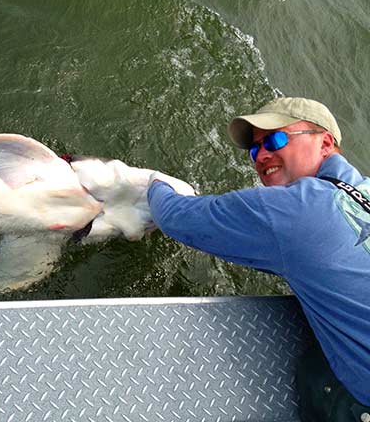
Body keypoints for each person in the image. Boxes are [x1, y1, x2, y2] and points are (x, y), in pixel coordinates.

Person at [147, 97, 370, 421]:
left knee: (315, 379)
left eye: (276, 139)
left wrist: (151, 183)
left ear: (324, 143)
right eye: (255, 150)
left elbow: (174, 217)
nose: (261, 155)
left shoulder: (295, 210)